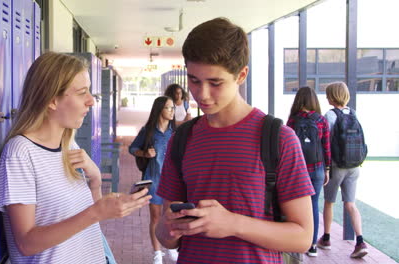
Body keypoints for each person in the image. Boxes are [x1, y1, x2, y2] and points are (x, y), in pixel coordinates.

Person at [155, 17, 315, 264]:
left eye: (215, 82)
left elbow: (303, 237)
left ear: (241, 75)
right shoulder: (182, 139)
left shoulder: (278, 138)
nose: (202, 94)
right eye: (194, 80)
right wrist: (168, 227)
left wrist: (234, 224)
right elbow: (168, 238)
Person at [0, 52, 151, 263]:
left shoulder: (69, 145)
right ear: (52, 100)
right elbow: (26, 243)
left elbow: (87, 220)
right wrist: (96, 212)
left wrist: (95, 181)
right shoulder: (20, 154)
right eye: (81, 93)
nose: (91, 102)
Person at [317, 81, 368, 258]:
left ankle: (326, 238)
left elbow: (326, 143)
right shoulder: (352, 113)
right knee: (350, 203)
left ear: (332, 96)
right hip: (354, 166)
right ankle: (360, 241)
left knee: (329, 201)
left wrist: (327, 167)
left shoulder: (330, 116)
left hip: (337, 166)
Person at [129, 96, 178, 264]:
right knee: (156, 218)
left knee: (171, 216)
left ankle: (171, 248)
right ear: (160, 110)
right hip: (153, 179)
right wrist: (144, 153)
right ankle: (157, 253)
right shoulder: (148, 131)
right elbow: (132, 148)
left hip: (172, 181)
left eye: (173, 108)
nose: (172, 111)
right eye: (169, 108)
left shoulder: (176, 132)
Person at [286, 86, 331, 257]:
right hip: (317, 168)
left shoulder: (292, 121)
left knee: (296, 206)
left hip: (298, 169)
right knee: (313, 205)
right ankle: (312, 245)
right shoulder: (321, 120)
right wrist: (327, 169)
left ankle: (297, 244)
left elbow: (288, 147)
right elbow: (326, 147)